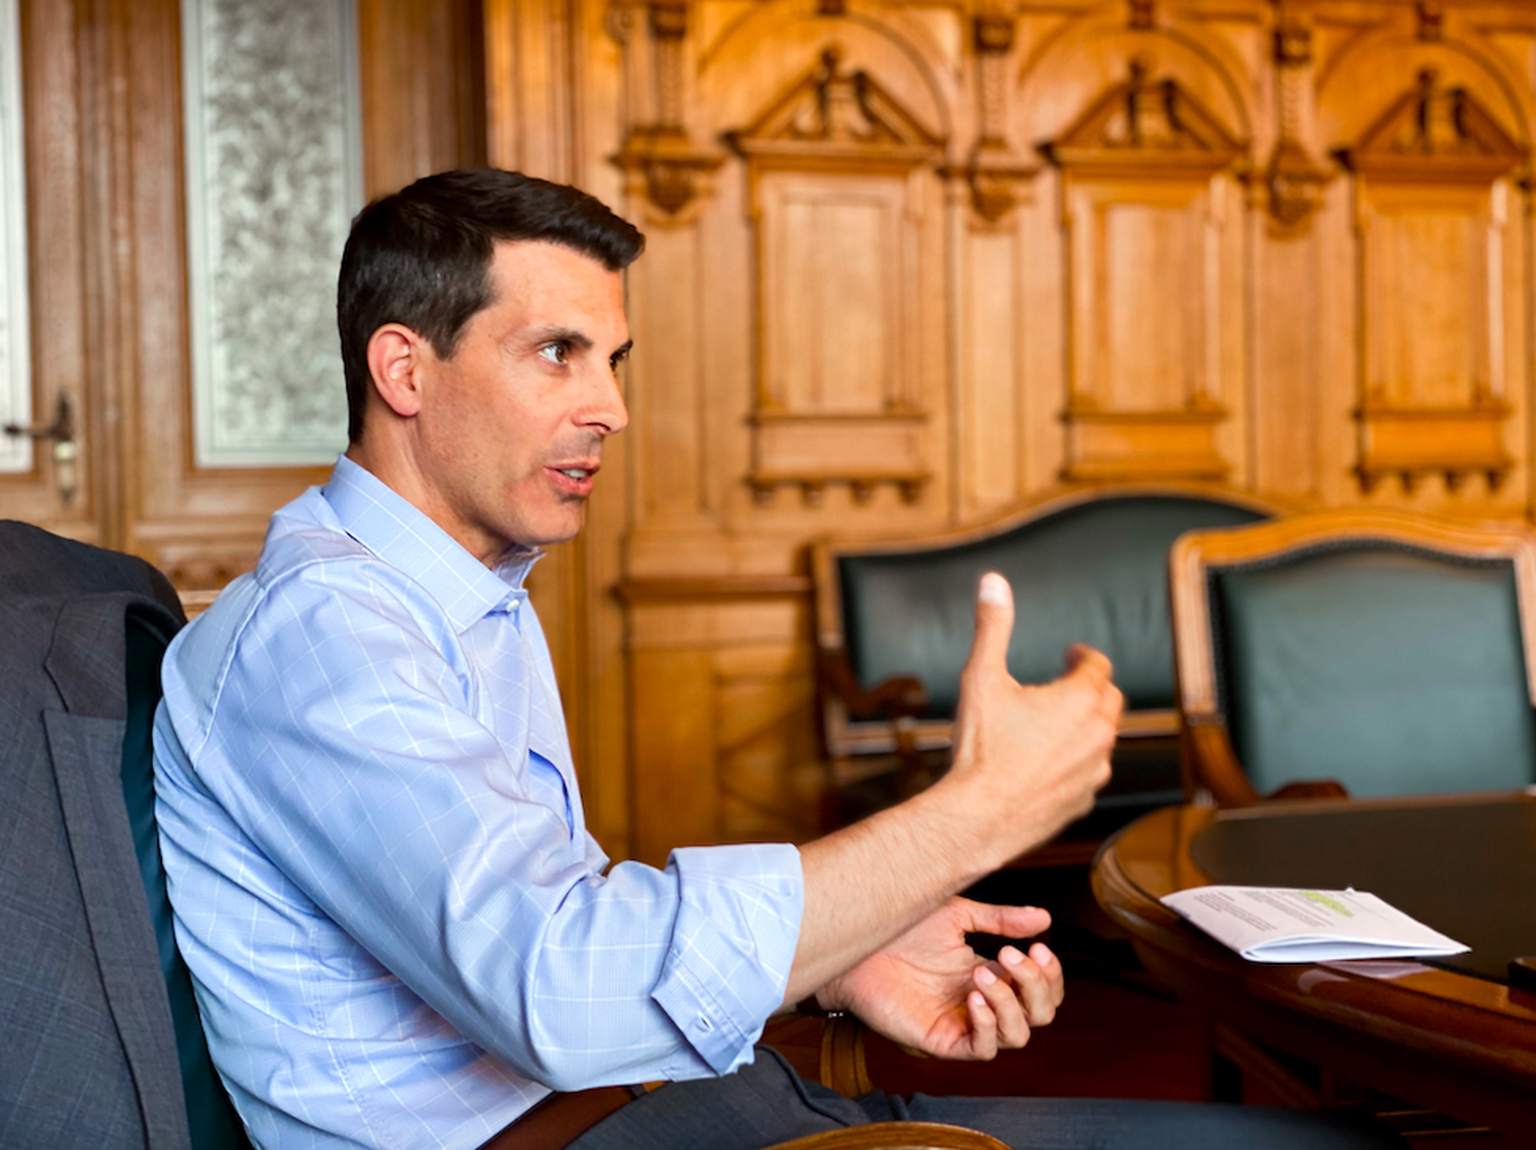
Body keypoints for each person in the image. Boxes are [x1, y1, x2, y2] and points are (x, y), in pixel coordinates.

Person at [153, 168, 1400, 1150]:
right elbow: (552, 982)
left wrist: (834, 957)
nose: (612, 408)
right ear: (403, 368)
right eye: (556, 352)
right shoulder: (321, 636)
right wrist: (980, 811)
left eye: (614, 360)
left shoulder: (462, 594)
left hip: (656, 1104)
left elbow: (548, 920)